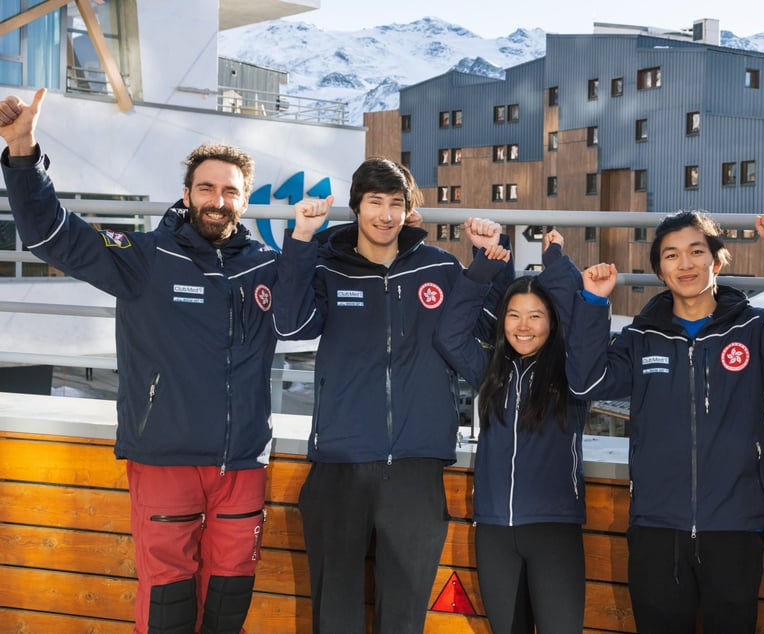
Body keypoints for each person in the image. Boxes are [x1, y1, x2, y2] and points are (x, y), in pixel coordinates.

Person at [0, 88, 275, 634]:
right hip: (165, 455)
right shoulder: (144, 257)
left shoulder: (266, 266)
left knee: (231, 592)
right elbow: (50, 235)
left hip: (243, 462)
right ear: (186, 194)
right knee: (169, 594)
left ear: (244, 201)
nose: (217, 200)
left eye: (230, 191)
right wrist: (24, 150)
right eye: (206, 188)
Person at [272, 158, 512, 634]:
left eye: (396, 204)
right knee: (334, 612)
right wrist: (301, 240)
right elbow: (290, 323)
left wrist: (492, 257)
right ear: (357, 208)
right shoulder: (327, 267)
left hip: (416, 461)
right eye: (375, 203)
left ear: (408, 210)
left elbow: (493, 326)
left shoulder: (439, 267)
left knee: (403, 615)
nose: (386, 215)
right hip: (340, 460)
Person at [566, 210, 764, 633]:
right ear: (660, 269)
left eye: (696, 251)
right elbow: (586, 383)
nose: (685, 264)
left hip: (735, 524)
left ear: (718, 261)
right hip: (657, 525)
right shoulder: (641, 338)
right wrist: (595, 302)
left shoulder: (755, 330)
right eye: (671, 255)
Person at [435, 229, 588, 633]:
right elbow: (449, 336)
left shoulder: (574, 371)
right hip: (495, 530)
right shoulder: (490, 370)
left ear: (552, 322)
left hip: (554, 527)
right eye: (514, 315)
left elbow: (582, 324)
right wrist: (481, 272)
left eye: (536, 316)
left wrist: (557, 265)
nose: (524, 326)